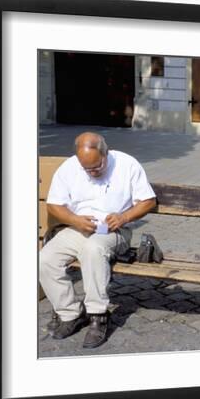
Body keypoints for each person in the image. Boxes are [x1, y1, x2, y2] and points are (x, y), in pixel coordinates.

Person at [39, 132, 157, 347]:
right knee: (45, 258)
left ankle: (98, 315)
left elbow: (148, 201)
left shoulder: (127, 164)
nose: (92, 172)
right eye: (87, 169)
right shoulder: (69, 167)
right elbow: (54, 204)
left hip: (115, 230)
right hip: (79, 227)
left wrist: (124, 216)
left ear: (106, 153)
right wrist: (74, 220)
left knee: (93, 249)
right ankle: (70, 314)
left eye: (97, 167)